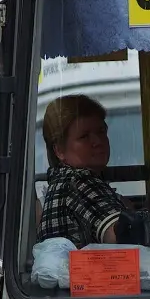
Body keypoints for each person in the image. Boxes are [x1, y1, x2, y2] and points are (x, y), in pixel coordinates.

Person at [36, 95, 129, 247]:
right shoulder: (79, 181)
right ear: (59, 150)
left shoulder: (61, 182)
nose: (98, 141)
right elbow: (120, 234)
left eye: (101, 131)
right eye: (84, 136)